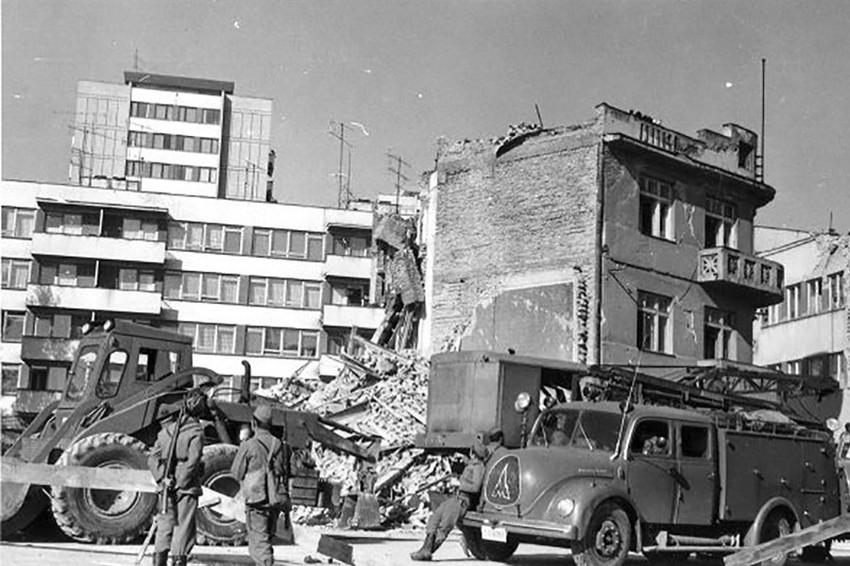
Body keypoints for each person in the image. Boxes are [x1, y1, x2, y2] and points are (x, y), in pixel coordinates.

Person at [147, 390, 207, 566]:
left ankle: (159, 562)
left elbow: (152, 458)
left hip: (166, 485)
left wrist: (162, 479)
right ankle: (178, 561)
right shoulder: (196, 432)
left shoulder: (166, 432)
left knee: (164, 526)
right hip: (186, 486)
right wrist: (181, 482)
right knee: (183, 527)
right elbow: (193, 461)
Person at [410, 441, 487, 561]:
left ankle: (429, 552)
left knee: (445, 525)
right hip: (456, 498)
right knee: (434, 518)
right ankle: (425, 548)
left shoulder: (478, 467)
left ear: (473, 453)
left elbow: (475, 487)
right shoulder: (472, 465)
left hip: (463, 501)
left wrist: (460, 484)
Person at [231, 405, 288, 566]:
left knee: (259, 541)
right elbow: (290, 470)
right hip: (275, 499)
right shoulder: (281, 445)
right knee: (267, 537)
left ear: (253, 423)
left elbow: (236, 473)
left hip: (257, 500)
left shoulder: (249, 445)